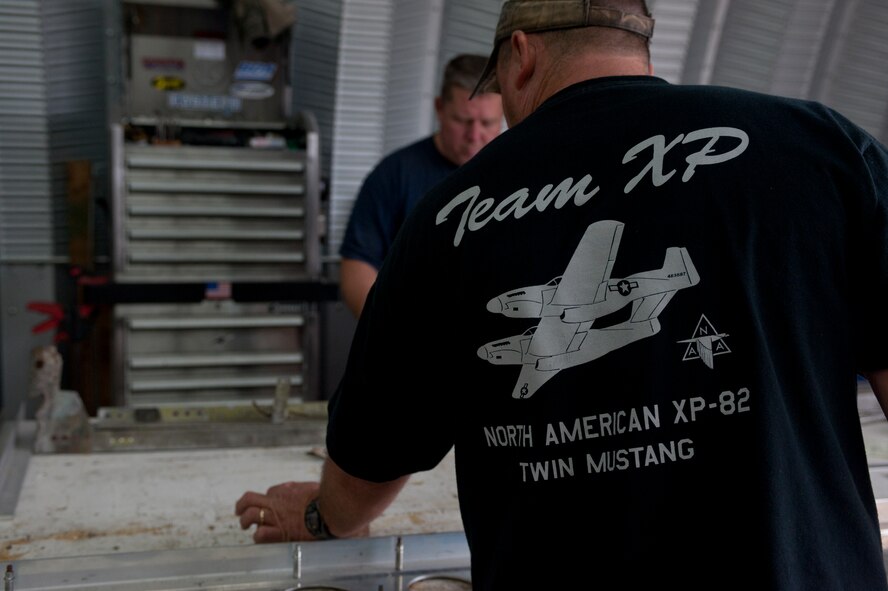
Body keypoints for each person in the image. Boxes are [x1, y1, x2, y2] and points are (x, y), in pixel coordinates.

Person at [236, 0, 888, 587]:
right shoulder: (826, 150)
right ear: (638, 44)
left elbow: (369, 458)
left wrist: (325, 516)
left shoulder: (446, 218)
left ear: (520, 55)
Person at [338, 54, 504, 317]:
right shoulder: (395, 174)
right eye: (462, 121)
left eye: (487, 123)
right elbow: (357, 266)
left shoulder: (514, 175)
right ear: (439, 108)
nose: (474, 136)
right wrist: (389, 334)